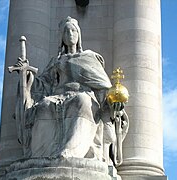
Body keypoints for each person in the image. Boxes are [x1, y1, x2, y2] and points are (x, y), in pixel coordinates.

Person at [14, 17, 129, 166]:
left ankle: (71, 151)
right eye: (66, 31)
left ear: (79, 35)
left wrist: (111, 105)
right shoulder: (56, 61)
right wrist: (27, 74)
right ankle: (39, 156)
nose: (70, 34)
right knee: (44, 105)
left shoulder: (88, 57)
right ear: (61, 37)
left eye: (73, 30)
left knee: (82, 101)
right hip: (57, 96)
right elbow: (42, 85)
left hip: (83, 94)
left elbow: (103, 86)